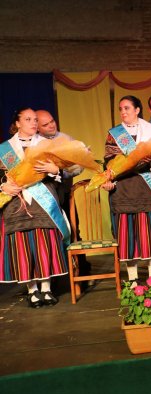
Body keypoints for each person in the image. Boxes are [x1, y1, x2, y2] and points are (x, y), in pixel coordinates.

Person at [101, 95, 151, 285]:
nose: (123, 112)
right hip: (123, 191)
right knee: (128, 236)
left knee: (150, 234)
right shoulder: (115, 133)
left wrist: (136, 162)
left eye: (127, 108)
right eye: (121, 109)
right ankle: (133, 279)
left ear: (137, 110)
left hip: (147, 190)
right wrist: (110, 176)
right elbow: (109, 160)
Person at [0, 108, 69, 307]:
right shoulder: (5, 149)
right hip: (16, 203)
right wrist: (3, 185)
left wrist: (56, 170)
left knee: (43, 244)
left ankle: (46, 289)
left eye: (35, 120)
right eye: (28, 119)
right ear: (17, 123)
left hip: (43, 202)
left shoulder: (46, 144)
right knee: (24, 246)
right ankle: (32, 291)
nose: (33, 123)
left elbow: (61, 170)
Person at [36, 109, 84, 217]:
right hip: (43, 197)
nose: (51, 126)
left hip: (65, 194)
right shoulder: (33, 144)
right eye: (45, 125)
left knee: (72, 230)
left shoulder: (66, 139)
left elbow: (80, 165)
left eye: (52, 121)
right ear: (37, 128)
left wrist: (60, 171)